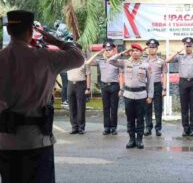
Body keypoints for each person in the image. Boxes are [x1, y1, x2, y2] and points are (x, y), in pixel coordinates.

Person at [0, 10, 84, 183]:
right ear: (31, 31)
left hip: (6, 141)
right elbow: (78, 57)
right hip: (37, 141)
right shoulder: (45, 57)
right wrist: (58, 41)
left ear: (8, 31)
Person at [108, 43, 154, 149]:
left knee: (140, 119)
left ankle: (139, 140)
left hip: (141, 95)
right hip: (128, 95)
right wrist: (122, 53)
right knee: (130, 119)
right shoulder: (125, 63)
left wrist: (150, 96)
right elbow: (110, 61)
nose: (134, 52)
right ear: (130, 52)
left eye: (137, 51)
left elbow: (150, 82)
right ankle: (131, 139)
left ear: (141, 52)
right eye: (132, 50)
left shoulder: (146, 65)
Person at [166, 37, 193, 137]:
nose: (188, 48)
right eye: (186, 46)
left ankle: (192, 129)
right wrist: (176, 52)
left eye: (190, 46)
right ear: (184, 46)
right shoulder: (180, 57)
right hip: (183, 82)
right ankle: (185, 128)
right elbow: (167, 60)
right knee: (184, 107)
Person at [85, 39, 124, 135]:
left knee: (114, 108)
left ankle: (113, 128)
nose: (107, 51)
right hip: (104, 86)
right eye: (106, 50)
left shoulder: (117, 62)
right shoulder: (100, 61)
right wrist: (98, 52)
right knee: (106, 108)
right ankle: (106, 127)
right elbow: (88, 63)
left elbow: (121, 76)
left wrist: (122, 89)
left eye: (109, 50)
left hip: (114, 86)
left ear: (114, 50)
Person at [144, 39, 167, 137]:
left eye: (153, 47)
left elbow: (164, 75)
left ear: (157, 48)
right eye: (150, 47)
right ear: (147, 48)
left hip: (157, 85)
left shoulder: (161, 61)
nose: (151, 49)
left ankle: (158, 129)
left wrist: (164, 88)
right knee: (147, 108)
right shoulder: (143, 61)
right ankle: (148, 128)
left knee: (158, 108)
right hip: (146, 86)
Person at [67, 44, 91, 134]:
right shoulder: (69, 61)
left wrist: (88, 88)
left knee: (81, 107)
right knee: (72, 106)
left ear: (81, 51)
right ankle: (74, 126)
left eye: (77, 49)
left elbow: (88, 75)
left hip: (81, 84)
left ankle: (81, 127)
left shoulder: (84, 62)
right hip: (70, 84)